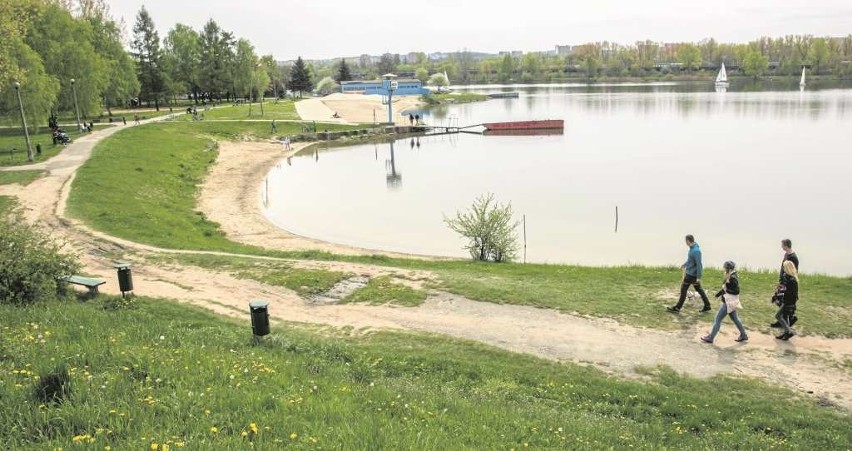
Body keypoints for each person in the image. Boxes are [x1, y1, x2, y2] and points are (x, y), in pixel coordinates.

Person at [701, 261, 748, 343]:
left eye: (724, 267)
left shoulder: (732, 277)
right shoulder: (730, 275)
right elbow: (725, 287)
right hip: (730, 302)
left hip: (728, 303)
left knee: (717, 319)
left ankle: (711, 338)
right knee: (735, 319)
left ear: (728, 268)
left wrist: (726, 291)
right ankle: (744, 335)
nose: (723, 269)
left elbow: (737, 291)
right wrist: (718, 294)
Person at [668, 234, 712, 313]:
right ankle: (707, 305)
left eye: (686, 241)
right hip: (691, 274)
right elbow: (690, 260)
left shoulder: (696, 251)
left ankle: (677, 307)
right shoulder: (692, 249)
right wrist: (684, 265)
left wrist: (699, 277)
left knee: (683, 289)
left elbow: (699, 265)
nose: (685, 242)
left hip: (691, 275)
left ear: (688, 241)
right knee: (699, 289)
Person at [771, 239, 800, 327]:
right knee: (778, 300)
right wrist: (781, 279)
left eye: (782, 245)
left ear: (786, 245)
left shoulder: (793, 257)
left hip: (787, 283)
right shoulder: (786, 254)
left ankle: (788, 319)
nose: (781, 246)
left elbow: (793, 271)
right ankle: (784, 320)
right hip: (783, 280)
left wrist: (786, 282)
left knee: (784, 302)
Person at [774, 260, 799, 340]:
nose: (783, 268)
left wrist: (781, 290)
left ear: (787, 268)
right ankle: (786, 334)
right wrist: (780, 287)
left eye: (784, 267)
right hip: (788, 301)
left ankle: (788, 331)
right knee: (785, 317)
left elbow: (789, 292)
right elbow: (786, 289)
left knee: (778, 316)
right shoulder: (791, 278)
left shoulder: (791, 280)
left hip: (788, 302)